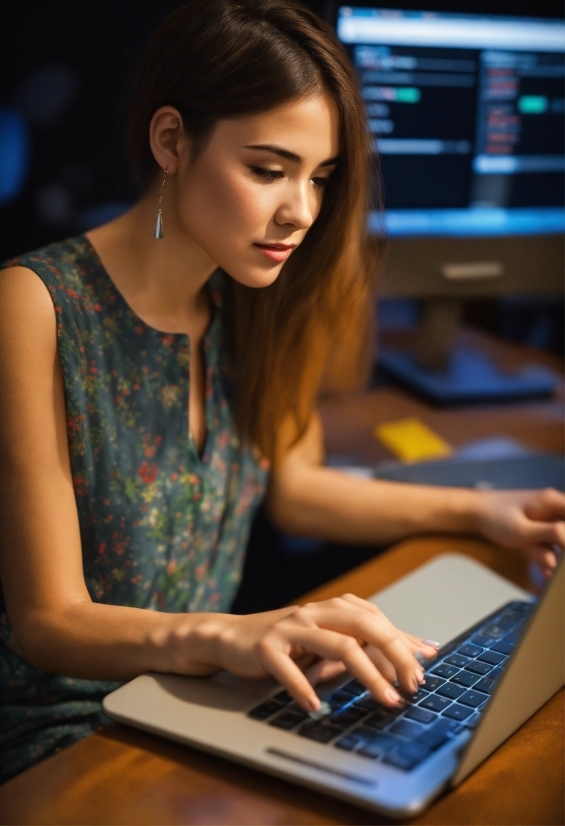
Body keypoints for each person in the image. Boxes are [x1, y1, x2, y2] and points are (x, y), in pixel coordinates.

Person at [0, 0, 563, 784]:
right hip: (59, 736)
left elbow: (295, 492)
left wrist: (478, 509)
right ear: (171, 141)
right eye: (267, 170)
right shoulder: (34, 305)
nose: (299, 211)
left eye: (320, 178)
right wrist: (231, 635)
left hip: (197, 697)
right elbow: (46, 622)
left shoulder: (255, 295)